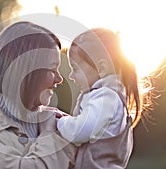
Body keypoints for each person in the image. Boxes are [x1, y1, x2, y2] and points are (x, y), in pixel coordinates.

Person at [0, 21, 76, 169]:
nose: (59, 79)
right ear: (25, 72)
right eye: (52, 69)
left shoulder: (60, 123)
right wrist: (51, 134)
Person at [56, 28, 152, 169]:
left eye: (75, 69)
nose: (71, 76)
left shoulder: (106, 99)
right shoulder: (109, 97)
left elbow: (81, 130)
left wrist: (58, 122)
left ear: (101, 68)